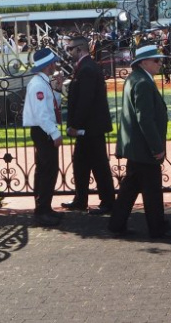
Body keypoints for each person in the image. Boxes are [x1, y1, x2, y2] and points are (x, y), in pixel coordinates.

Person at [108, 45, 171, 240]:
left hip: (137, 147)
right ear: (143, 62)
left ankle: (116, 224)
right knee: (152, 192)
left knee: (130, 188)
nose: (160, 63)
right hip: (143, 148)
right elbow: (145, 119)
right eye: (156, 60)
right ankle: (158, 229)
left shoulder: (136, 78)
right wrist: (157, 148)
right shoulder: (142, 82)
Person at [61, 36, 116, 215]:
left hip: (90, 127)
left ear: (80, 49)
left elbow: (85, 100)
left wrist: (75, 125)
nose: (69, 53)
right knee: (81, 164)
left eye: (70, 49)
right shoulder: (85, 67)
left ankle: (107, 202)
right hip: (89, 127)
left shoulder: (87, 68)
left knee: (98, 165)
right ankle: (81, 199)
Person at [22, 49, 65, 227]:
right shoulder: (39, 84)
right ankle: (42, 210)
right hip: (43, 131)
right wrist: (54, 133)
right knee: (48, 171)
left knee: (44, 170)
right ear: (49, 65)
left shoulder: (42, 82)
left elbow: (50, 104)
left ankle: (44, 208)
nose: (56, 65)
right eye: (54, 62)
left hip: (42, 130)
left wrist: (58, 88)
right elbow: (42, 114)